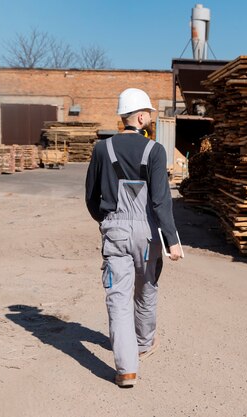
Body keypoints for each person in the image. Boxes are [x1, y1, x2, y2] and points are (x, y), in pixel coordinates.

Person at [85, 88, 183, 388]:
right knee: (146, 288)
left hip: (114, 230)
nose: (150, 119)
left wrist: (107, 221)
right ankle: (143, 343)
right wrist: (172, 239)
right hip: (146, 233)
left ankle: (126, 369)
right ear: (140, 116)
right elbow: (160, 201)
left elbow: (91, 196)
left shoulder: (102, 149)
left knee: (117, 297)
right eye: (149, 115)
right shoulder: (155, 151)